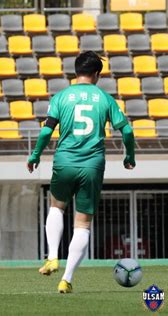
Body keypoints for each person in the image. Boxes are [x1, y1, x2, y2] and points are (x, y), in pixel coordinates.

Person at [27, 51, 136, 293]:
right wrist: (129, 156)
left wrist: (35, 155)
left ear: (76, 72)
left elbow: (46, 132)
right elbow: (127, 132)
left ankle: (52, 256)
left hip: (64, 161)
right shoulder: (106, 99)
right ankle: (66, 278)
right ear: (97, 75)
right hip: (92, 165)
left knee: (56, 206)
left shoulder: (61, 97)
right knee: (83, 223)